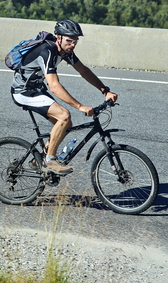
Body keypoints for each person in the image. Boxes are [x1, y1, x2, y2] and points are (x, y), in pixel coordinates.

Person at [11, 19, 118, 175]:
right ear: (59, 38)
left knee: (64, 124)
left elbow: (83, 70)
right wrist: (80, 106)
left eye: (75, 41)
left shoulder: (65, 51)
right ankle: (50, 161)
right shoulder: (47, 51)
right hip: (23, 92)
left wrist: (105, 90)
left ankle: (38, 159)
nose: (73, 44)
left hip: (37, 90)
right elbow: (54, 86)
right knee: (64, 116)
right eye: (69, 40)